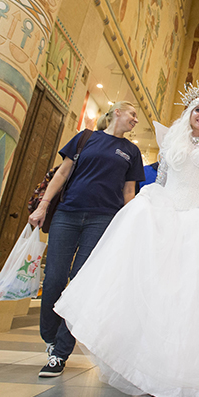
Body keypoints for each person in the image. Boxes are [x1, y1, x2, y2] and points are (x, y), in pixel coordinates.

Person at [54, 82, 199, 397]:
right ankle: (143, 373)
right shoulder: (171, 141)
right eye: (198, 110)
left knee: (186, 298)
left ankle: (183, 373)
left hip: (197, 221)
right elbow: (160, 180)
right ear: (189, 114)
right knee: (154, 291)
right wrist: (147, 199)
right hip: (163, 215)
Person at [29, 100, 144, 377]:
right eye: (132, 114)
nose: (135, 120)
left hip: (103, 220)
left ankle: (60, 353)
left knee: (81, 283)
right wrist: (44, 205)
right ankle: (50, 336)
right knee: (55, 277)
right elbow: (63, 173)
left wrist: (132, 224)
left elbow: (129, 193)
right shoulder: (85, 138)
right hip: (67, 214)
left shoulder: (132, 151)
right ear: (117, 112)